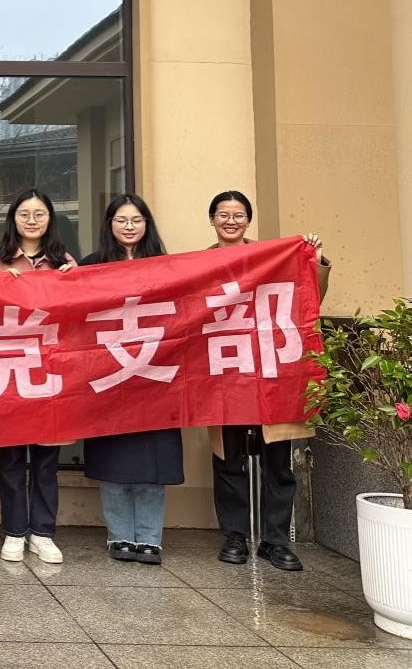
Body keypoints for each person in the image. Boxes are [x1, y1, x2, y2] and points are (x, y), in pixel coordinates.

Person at [207, 190, 330, 572]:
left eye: (238, 214)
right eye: (223, 214)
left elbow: (308, 297)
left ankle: (275, 540)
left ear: (248, 220)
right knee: (228, 459)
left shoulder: (272, 258)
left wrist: (312, 259)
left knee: (278, 460)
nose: (231, 220)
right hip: (225, 373)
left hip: (271, 372)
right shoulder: (200, 264)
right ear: (212, 219)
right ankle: (235, 535)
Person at [79, 194, 182, 566]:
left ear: (147, 224)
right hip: (110, 374)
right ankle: (119, 535)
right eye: (121, 220)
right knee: (114, 458)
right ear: (109, 224)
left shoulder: (167, 267)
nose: (129, 226)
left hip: (155, 374)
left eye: (136, 220)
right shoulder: (91, 266)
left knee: (153, 459)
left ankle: (150, 538)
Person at [0, 188, 75, 566]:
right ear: (13, 219)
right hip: (10, 369)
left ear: (50, 219)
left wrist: (73, 282)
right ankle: (15, 530)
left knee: (47, 459)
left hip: (51, 373)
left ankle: (44, 532)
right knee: (11, 458)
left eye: (39, 214)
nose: (32, 220)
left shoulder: (64, 261)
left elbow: (81, 317)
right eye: (24, 214)